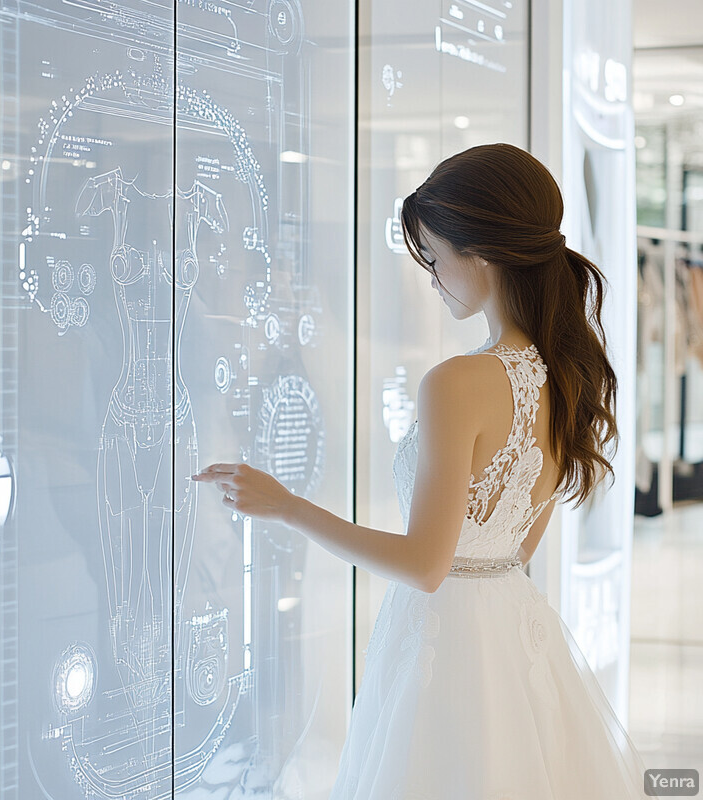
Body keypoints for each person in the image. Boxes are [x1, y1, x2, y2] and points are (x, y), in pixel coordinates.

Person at [192, 143, 647, 798]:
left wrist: (287, 505)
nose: (431, 279)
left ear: (482, 252)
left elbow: (426, 567)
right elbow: (515, 551)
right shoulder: (561, 376)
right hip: (517, 645)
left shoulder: (458, 383)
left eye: (434, 258)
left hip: (450, 653)